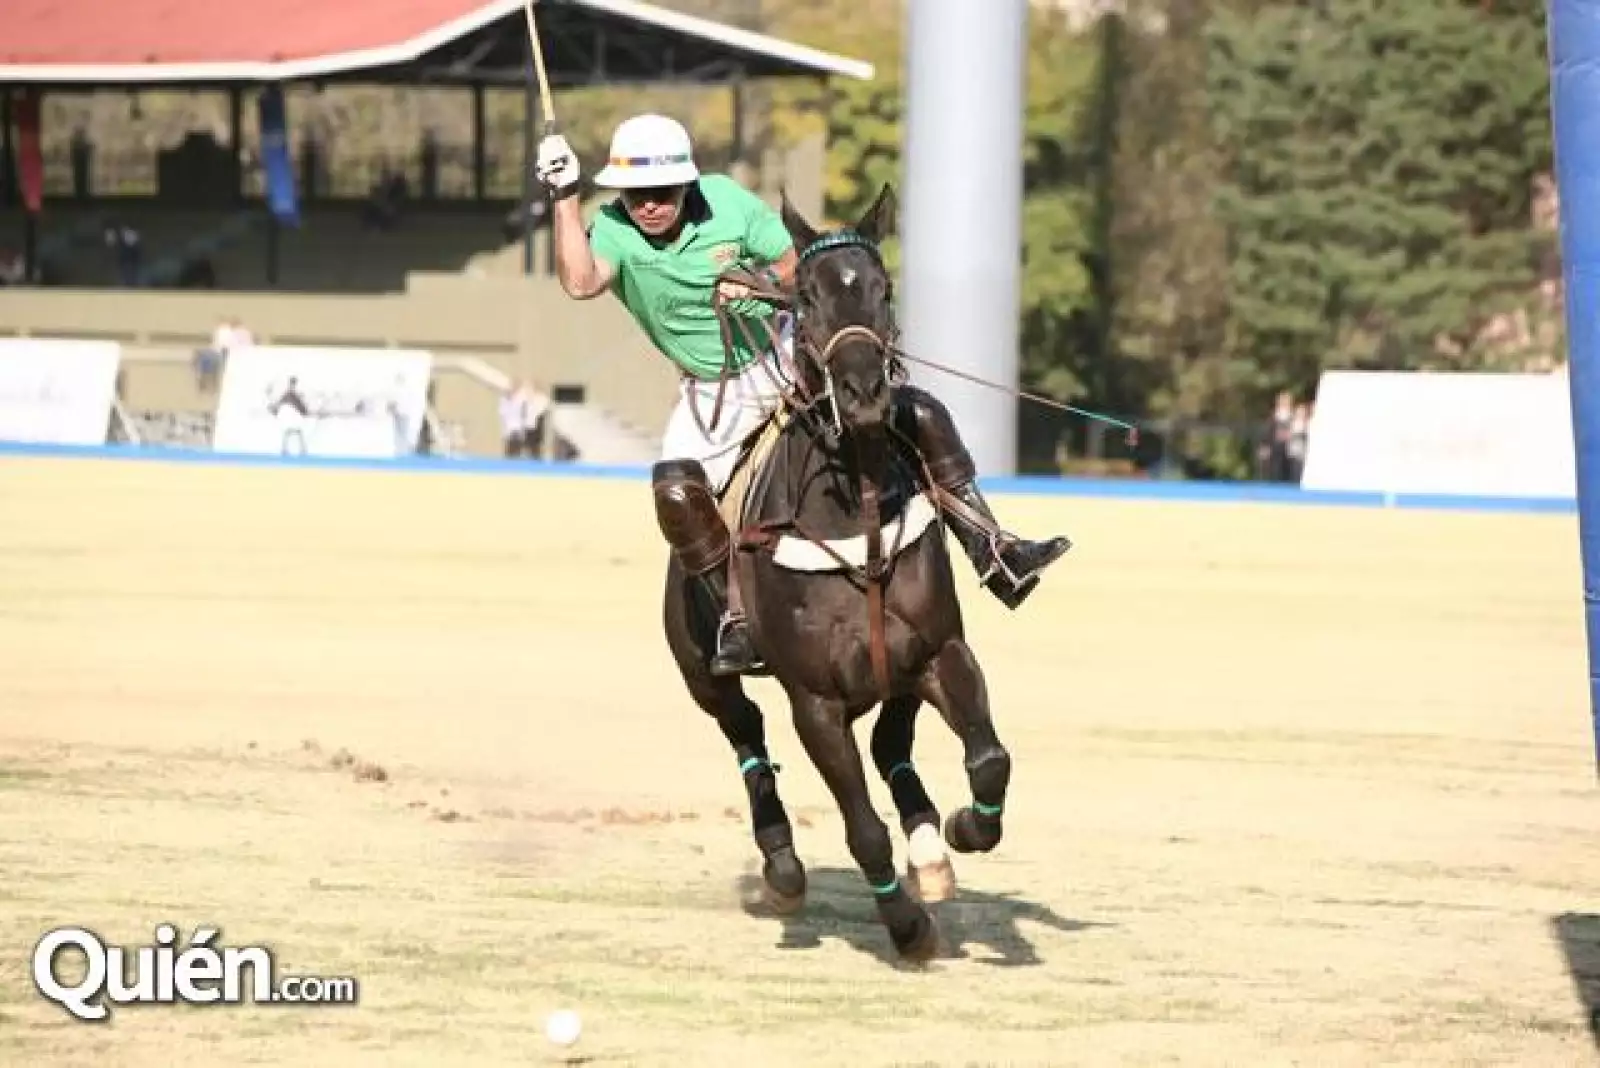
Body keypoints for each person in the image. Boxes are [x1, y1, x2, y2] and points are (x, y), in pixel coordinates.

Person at [534, 114, 1070, 676]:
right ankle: (736, 616)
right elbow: (580, 281)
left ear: (687, 183)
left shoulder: (728, 203)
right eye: (636, 193)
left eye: (661, 191)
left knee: (915, 412)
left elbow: (800, 275)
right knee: (675, 492)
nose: (649, 205)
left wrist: (758, 285)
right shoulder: (614, 229)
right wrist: (566, 196)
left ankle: (994, 550)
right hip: (714, 391)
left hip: (783, 353)